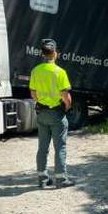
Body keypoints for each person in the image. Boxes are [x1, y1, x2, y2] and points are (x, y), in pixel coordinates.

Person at [29, 39, 75, 188]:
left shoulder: (36, 70)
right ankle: (61, 179)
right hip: (56, 113)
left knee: (42, 147)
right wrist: (67, 107)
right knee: (59, 146)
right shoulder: (60, 72)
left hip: (42, 113)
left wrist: (42, 101)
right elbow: (66, 96)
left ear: (42, 54)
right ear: (55, 53)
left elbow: (33, 94)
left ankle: (42, 179)